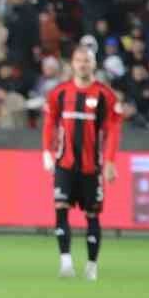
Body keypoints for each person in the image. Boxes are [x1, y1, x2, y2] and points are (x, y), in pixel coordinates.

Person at [41, 46, 120, 281]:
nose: (83, 64)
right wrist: (47, 152)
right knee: (61, 209)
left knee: (92, 216)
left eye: (87, 60)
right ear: (72, 64)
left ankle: (91, 265)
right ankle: (65, 262)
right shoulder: (59, 93)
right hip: (64, 164)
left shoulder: (105, 95)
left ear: (93, 64)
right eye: (78, 60)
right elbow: (49, 123)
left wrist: (110, 161)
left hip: (91, 167)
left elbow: (113, 130)